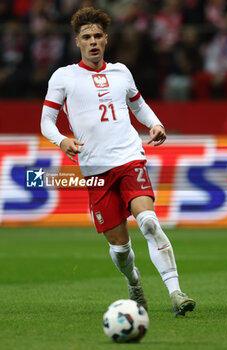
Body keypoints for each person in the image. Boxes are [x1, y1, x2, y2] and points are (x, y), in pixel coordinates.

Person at [41, 7, 196, 316]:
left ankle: (176, 292)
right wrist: (62, 140)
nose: (93, 41)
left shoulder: (121, 71)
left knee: (149, 223)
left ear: (106, 39)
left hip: (129, 159)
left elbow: (138, 106)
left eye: (98, 35)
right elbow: (46, 121)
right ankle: (133, 281)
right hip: (95, 171)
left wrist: (155, 124)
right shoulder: (64, 77)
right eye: (87, 37)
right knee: (121, 249)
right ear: (78, 42)